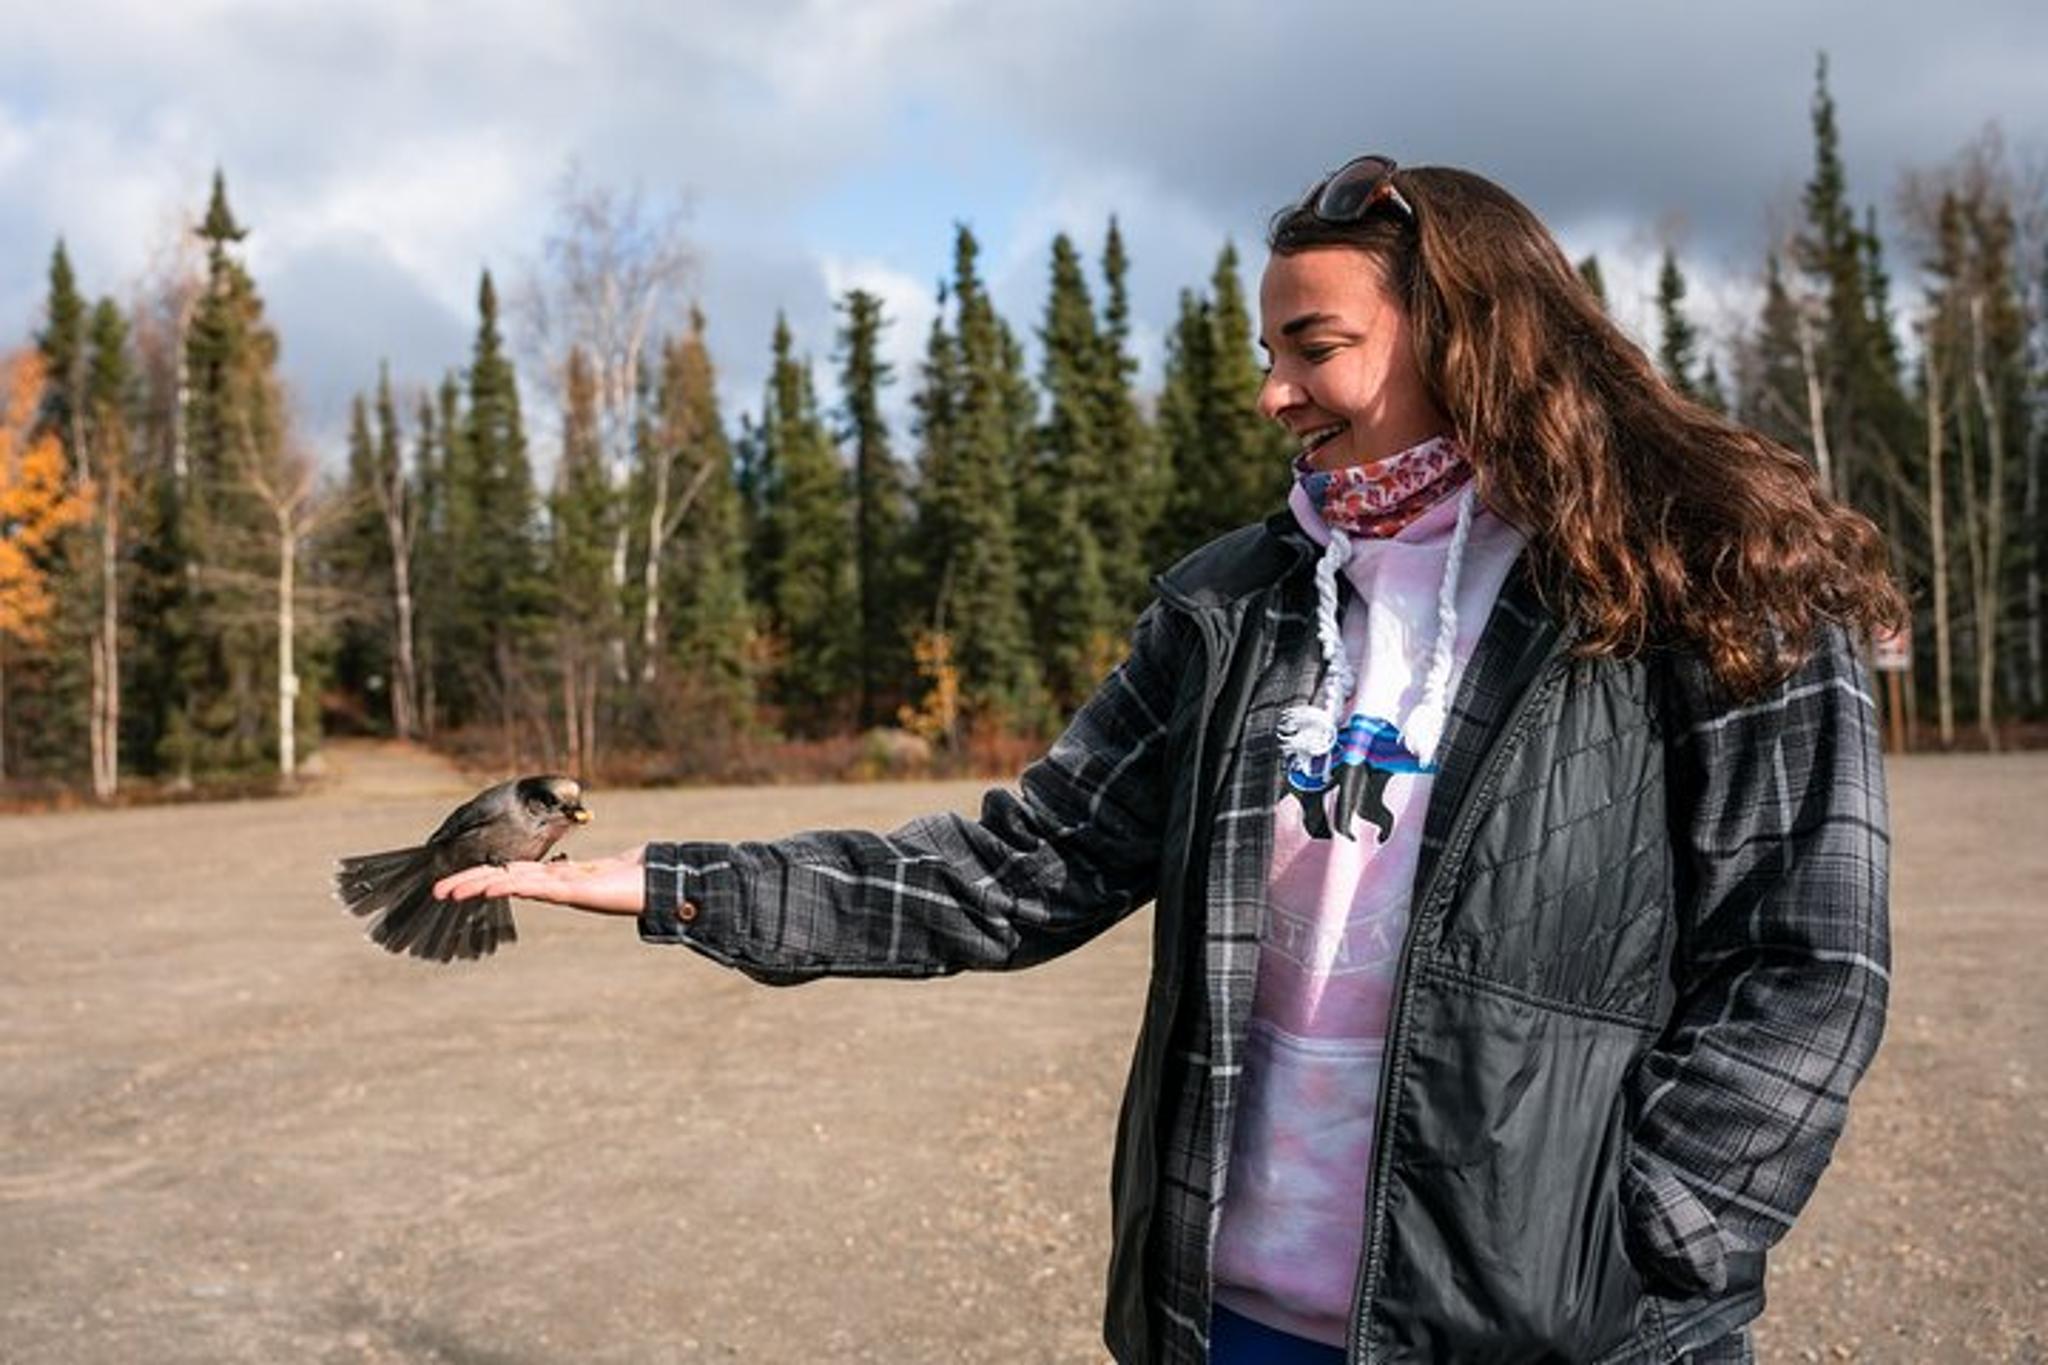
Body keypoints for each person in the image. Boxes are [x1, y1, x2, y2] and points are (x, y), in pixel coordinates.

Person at [435, 157, 1901, 1364]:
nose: (1274, 391)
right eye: (1268, 353)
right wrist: (679, 885)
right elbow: (1018, 867)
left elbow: (1807, 960)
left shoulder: (1706, 574)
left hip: (1561, 1331)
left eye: (1313, 346)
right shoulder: (1236, 607)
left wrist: (1646, 1237)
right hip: (1237, 1317)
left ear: (1470, 333)